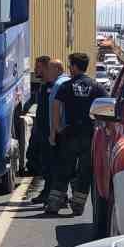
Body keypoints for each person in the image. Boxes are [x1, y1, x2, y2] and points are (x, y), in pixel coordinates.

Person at [46, 52, 98, 216]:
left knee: (63, 169)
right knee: (85, 172)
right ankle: (78, 205)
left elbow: (56, 107)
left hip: (69, 133)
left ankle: (54, 204)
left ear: (75, 67)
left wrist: (56, 129)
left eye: (70, 65)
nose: (69, 68)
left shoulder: (66, 86)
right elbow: (107, 108)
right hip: (89, 135)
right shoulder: (96, 86)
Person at [34, 58, 69, 205]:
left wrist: (53, 132)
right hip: (45, 130)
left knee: (52, 165)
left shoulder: (57, 86)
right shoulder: (46, 86)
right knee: (47, 164)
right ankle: (52, 193)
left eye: (47, 69)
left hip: (51, 131)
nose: (44, 72)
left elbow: (56, 111)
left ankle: (54, 194)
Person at [24, 54, 52, 184]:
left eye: (38, 67)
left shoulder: (52, 87)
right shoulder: (44, 85)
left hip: (48, 129)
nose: (35, 70)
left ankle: (49, 191)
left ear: (46, 67)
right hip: (41, 128)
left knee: (47, 161)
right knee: (35, 156)